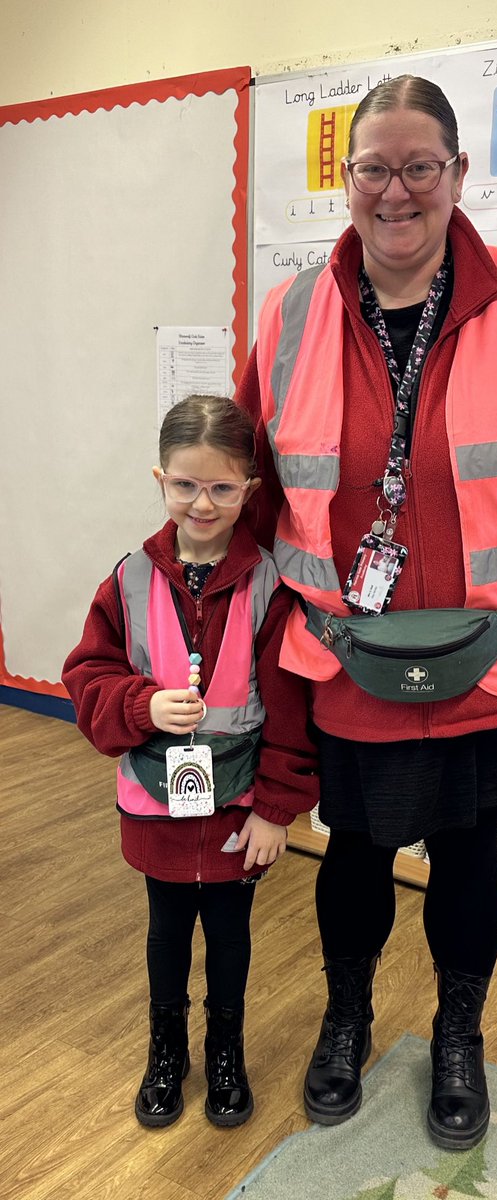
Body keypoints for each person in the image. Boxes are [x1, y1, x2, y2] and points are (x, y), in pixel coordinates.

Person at [238, 75, 497, 1150]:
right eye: (373, 167)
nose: (396, 190)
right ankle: (345, 1016)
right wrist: (213, 619)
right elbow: (249, 486)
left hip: (493, 656)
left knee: (469, 853)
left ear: (458, 175)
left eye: (420, 166)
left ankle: (458, 1035)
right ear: (346, 180)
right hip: (342, 656)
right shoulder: (288, 315)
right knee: (356, 848)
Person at [62, 395, 317, 1129]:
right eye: (185, 485)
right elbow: (88, 676)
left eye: (222, 487)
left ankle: (226, 1052)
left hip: (240, 808)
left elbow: (295, 711)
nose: (201, 503)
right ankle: (166, 1052)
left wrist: (275, 809)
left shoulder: (272, 585)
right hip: (155, 804)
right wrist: (143, 707)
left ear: (251, 491)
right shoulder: (128, 579)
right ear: (160, 480)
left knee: (230, 936)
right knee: (167, 931)